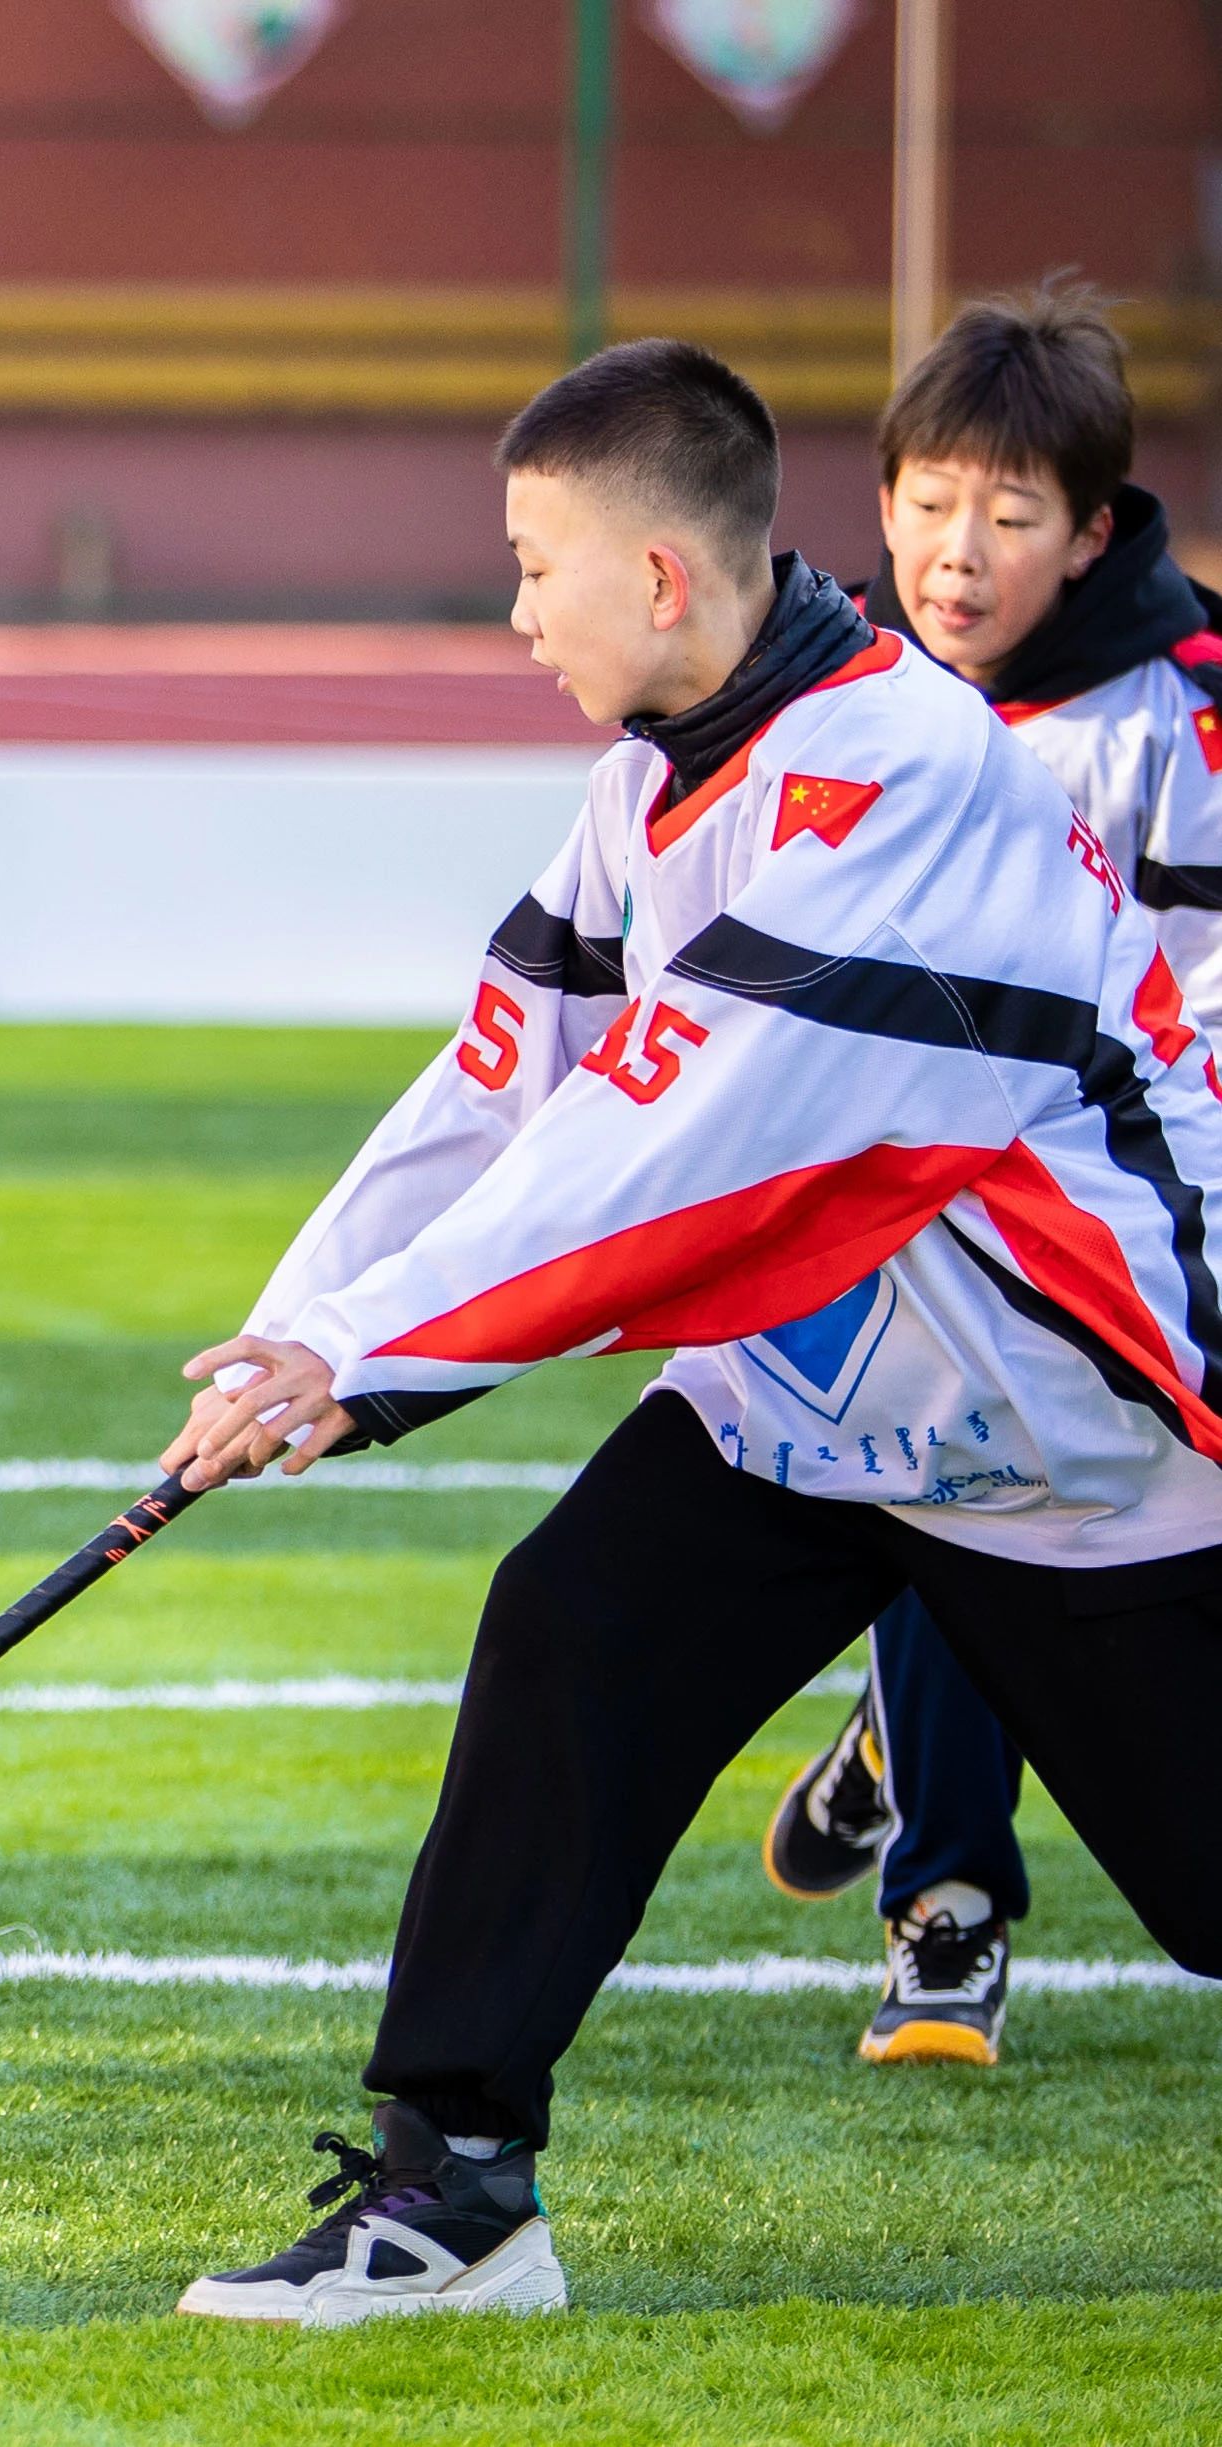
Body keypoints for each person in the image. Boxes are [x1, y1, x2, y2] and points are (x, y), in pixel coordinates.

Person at [160, 338, 1222, 2326]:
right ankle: (451, 2189)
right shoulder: (646, 779)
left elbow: (677, 1138)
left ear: (659, 578)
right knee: (567, 1627)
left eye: (530, 561)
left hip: (1074, 1433)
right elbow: (497, 1081)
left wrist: (374, 1369)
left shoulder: (906, 777)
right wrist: (286, 1335)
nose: (511, 606)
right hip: (803, 1400)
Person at [754, 285, 1222, 2069]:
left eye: (1012, 516)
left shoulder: (1185, 724)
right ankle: (946, 1913)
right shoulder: (834, 701)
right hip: (913, 1217)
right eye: (931, 502)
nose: (960, 552)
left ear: (1092, 533)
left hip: (1153, 1215)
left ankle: (887, 1753)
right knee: (934, 1461)